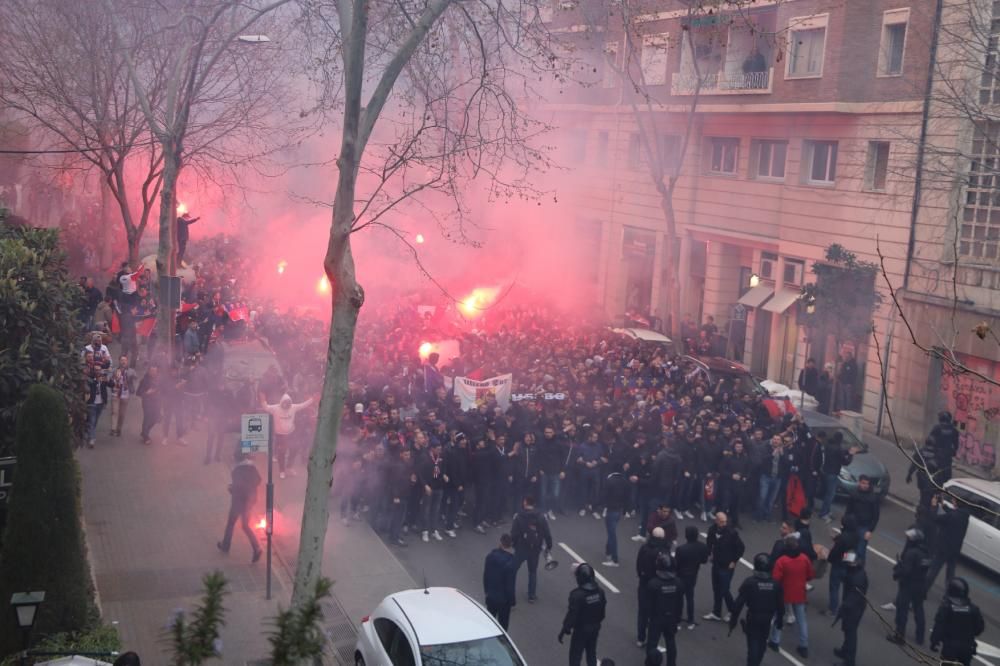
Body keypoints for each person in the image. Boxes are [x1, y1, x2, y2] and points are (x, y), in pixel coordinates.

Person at [728, 553, 785, 666]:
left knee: (753, 641)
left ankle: (753, 663)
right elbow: (780, 604)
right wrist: (780, 620)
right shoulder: (776, 584)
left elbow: (738, 603)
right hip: (767, 617)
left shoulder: (750, 582)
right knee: (762, 641)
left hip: (754, 616)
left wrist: (733, 619)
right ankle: (756, 661)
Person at [769, 534, 813, 659]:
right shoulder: (804, 558)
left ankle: (775, 641)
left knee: (779, 617)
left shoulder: (781, 561)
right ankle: (803, 645)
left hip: (784, 593)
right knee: (801, 620)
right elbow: (810, 575)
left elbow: (776, 579)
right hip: (799, 593)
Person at [886, 526, 930, 646]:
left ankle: (899, 636)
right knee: (919, 610)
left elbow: (906, 571)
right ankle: (920, 637)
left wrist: (897, 571)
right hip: (921, 585)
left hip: (908, 585)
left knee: (902, 611)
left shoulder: (911, 553)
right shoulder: (926, 553)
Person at [217, 453, 263, 563]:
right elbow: (258, 480)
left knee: (231, 523)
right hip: (250, 501)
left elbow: (237, 486)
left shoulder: (236, 470)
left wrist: (231, 488)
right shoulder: (253, 468)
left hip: (238, 502)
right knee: (245, 526)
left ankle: (225, 546)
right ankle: (256, 548)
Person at [929, 577, 985, 666]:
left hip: (950, 648)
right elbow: (979, 628)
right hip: (967, 648)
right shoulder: (973, 609)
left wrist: (934, 641)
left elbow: (939, 627)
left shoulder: (946, 608)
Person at [559, 562, 606, 666]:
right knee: (591, 653)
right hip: (595, 627)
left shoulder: (577, 595)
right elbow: (602, 614)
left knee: (575, 656)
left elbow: (572, 615)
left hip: (581, 630)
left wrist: (565, 629)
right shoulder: (600, 592)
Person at [644, 552, 683, 666]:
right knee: (671, 641)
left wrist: (648, 619)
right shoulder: (678, 583)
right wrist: (678, 618)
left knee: (652, 643)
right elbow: (680, 603)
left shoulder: (653, 584)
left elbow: (648, 605)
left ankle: (651, 663)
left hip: (656, 619)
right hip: (671, 618)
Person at [511, 495, 553, 603]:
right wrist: (548, 546)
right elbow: (547, 533)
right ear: (534, 504)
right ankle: (531, 595)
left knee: (512, 570)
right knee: (532, 571)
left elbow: (514, 533)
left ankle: (510, 594)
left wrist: (515, 545)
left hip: (521, 547)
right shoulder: (541, 516)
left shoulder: (519, 516)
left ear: (525, 503)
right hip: (535, 548)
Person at [704, 511, 744, 622]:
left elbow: (741, 548)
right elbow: (709, 543)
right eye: (721, 522)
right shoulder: (712, 530)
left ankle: (732, 611)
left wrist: (734, 561)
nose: (723, 524)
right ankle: (716, 612)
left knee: (724, 589)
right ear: (716, 520)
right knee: (716, 588)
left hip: (727, 566)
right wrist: (709, 554)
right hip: (716, 564)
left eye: (725, 521)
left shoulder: (732, 533)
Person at [262, 393, 314, 479]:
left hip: (291, 433)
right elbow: (266, 407)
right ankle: (282, 471)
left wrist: (312, 399)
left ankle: (289, 467)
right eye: (285, 403)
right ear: (281, 402)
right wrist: (263, 400)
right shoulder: (275, 408)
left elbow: (303, 405)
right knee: (281, 453)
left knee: (294, 449)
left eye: (288, 403)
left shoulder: (293, 407)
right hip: (280, 435)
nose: (286, 406)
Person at [925, 495, 970, 592]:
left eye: (954, 500)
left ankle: (923, 590)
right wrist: (943, 505)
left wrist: (933, 505)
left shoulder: (952, 516)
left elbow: (935, 518)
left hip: (943, 548)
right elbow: (953, 513)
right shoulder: (964, 516)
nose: (953, 501)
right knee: (950, 573)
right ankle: (949, 594)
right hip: (955, 549)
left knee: (934, 569)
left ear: (957, 503)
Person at [636, 526, 672, 646]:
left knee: (642, 613)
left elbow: (638, 564)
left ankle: (640, 638)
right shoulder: (664, 550)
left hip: (644, 583)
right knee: (655, 613)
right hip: (658, 585)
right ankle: (652, 640)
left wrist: (641, 576)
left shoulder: (645, 548)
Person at [832, 551, 867, 666]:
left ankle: (849, 661)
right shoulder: (856, 571)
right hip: (853, 606)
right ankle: (845, 651)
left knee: (850, 633)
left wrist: (844, 607)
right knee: (847, 630)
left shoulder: (858, 578)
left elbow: (854, 597)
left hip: (853, 609)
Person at [674, 525, 708, 630]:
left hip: (681, 575)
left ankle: (677, 620)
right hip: (693, 575)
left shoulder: (681, 549)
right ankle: (690, 620)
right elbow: (704, 560)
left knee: (679, 598)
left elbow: (676, 564)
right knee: (690, 598)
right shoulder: (702, 546)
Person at [826, 514, 860, 617]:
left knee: (834, 587)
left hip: (838, 564)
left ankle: (833, 609)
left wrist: (829, 558)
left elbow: (836, 551)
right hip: (849, 563)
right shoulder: (856, 535)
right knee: (847, 588)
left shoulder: (843, 538)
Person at [483, 533, 517, 630]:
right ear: (511, 545)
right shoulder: (511, 562)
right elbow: (510, 585)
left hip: (491, 596)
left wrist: (487, 591)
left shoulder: (490, 556)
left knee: (489, 622)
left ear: (500, 542)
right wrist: (512, 601)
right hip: (504, 600)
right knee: (503, 626)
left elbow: (485, 576)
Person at [844, 475, 879, 562]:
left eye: (867, 484)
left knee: (860, 550)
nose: (865, 485)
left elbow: (876, 516)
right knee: (849, 547)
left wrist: (870, 530)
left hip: (864, 527)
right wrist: (845, 522)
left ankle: (858, 569)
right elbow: (848, 510)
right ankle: (848, 566)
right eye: (863, 483)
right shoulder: (854, 494)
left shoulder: (873, 498)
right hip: (852, 525)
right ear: (859, 483)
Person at [602, 468, 629, 567]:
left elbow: (604, 495)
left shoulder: (609, 481)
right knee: (611, 532)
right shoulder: (624, 481)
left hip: (611, 510)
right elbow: (627, 497)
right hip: (619, 511)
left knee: (612, 535)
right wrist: (625, 511)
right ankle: (608, 552)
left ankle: (614, 559)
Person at [108, 354, 137, 437]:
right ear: (119, 361)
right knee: (115, 412)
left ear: (127, 361)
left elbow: (135, 377)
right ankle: (113, 429)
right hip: (116, 393)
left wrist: (130, 377)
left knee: (122, 414)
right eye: (122, 360)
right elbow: (108, 378)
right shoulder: (114, 370)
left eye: (125, 360)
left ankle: (119, 428)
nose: (123, 362)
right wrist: (114, 380)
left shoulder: (131, 371)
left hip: (125, 394)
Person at [930, 411, 960, 484]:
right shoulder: (954, 430)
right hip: (947, 456)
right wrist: (953, 451)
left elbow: (930, 441)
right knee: (946, 475)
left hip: (937, 454)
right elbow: (956, 444)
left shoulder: (937, 428)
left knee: (933, 472)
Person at [136, 364, 161, 445]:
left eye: (155, 371)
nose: (154, 372)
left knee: (157, 418)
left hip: (156, 402)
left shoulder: (159, 379)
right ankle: (146, 436)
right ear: (149, 371)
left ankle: (144, 432)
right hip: (147, 402)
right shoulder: (144, 380)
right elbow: (138, 392)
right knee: (147, 418)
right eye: (152, 371)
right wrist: (147, 393)